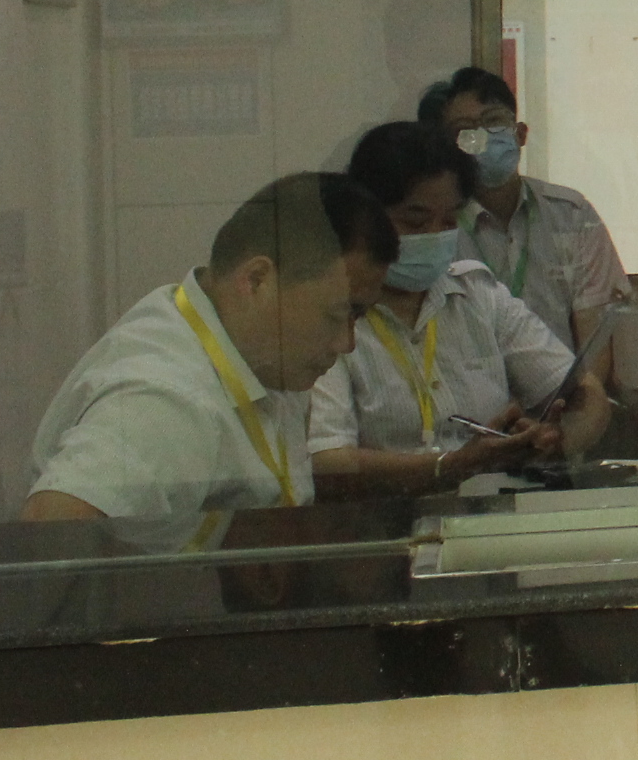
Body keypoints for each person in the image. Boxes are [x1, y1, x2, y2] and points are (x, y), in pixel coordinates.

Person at [23, 173, 391, 521]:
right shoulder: (167, 399)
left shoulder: (259, 353)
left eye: (357, 318)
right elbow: (51, 526)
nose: (346, 343)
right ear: (257, 280)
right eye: (335, 314)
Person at [308, 122, 609, 498]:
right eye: (415, 221)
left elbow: (587, 394)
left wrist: (554, 440)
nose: (435, 234)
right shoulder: (332, 313)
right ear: (367, 217)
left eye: (450, 220)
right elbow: (327, 462)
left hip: (492, 514)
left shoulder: (478, 295)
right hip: (384, 520)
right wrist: (450, 467)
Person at [418, 67, 631, 356]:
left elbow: (596, 344)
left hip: (564, 381)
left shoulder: (572, 215)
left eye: (494, 121)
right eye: (465, 130)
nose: (483, 137)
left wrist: (585, 384)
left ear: (520, 133)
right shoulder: (437, 225)